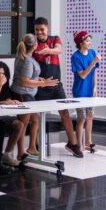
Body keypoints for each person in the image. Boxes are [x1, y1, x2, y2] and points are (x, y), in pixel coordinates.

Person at [32, 17, 83, 158]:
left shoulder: (54, 39)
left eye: (42, 29)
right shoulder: (33, 43)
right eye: (37, 30)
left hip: (56, 86)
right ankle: (34, 145)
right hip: (41, 86)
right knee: (36, 116)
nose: (39, 32)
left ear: (47, 28)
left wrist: (48, 50)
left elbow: (59, 50)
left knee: (65, 113)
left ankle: (72, 143)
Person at [11, 33, 59, 160]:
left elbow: (30, 77)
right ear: (35, 45)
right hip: (23, 93)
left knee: (35, 119)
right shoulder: (26, 60)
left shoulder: (25, 57)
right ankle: (20, 152)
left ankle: (31, 147)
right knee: (24, 122)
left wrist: (41, 79)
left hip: (27, 94)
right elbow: (25, 81)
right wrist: (44, 83)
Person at [71, 31, 101, 152]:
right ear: (81, 43)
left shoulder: (92, 52)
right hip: (80, 91)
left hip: (90, 91)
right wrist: (93, 62)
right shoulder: (76, 57)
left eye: (90, 40)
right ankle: (79, 144)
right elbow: (82, 75)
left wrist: (95, 87)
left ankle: (89, 142)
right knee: (81, 118)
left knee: (90, 116)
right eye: (87, 41)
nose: (90, 43)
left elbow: (95, 72)